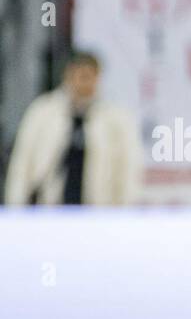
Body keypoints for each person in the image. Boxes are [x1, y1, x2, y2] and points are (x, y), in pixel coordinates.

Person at [4, 52, 142, 206]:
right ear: (68, 76)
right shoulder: (43, 112)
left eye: (89, 76)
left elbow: (127, 169)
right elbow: (22, 162)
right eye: (80, 76)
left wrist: (124, 211)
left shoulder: (115, 119)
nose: (84, 83)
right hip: (49, 208)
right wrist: (15, 205)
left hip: (98, 210)